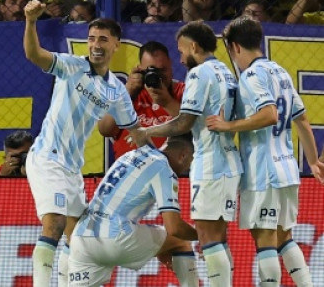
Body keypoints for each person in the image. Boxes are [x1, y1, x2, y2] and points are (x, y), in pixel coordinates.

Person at [22, 4, 147, 287]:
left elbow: (136, 131)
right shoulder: (72, 66)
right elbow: (34, 54)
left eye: (103, 39)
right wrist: (30, 21)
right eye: (91, 39)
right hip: (47, 158)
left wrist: (162, 154)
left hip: (72, 168)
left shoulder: (116, 90)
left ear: (116, 44)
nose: (96, 45)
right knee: (54, 224)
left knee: (77, 238)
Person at [207, 17, 322, 286]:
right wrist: (313, 161)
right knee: (284, 238)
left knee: (265, 240)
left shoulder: (250, 76)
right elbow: (302, 119)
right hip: (287, 169)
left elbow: (270, 114)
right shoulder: (280, 72)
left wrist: (228, 125)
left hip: (263, 171)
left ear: (235, 47)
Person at [138, 21, 241, 287]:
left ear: (194, 46)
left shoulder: (199, 74)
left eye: (182, 51)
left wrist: (147, 132)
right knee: (217, 236)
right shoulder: (226, 72)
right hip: (229, 161)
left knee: (208, 237)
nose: (181, 58)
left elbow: (184, 122)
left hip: (210, 163)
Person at [66, 136, 199, 287]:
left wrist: (162, 247)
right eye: (190, 163)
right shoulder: (163, 168)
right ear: (183, 155)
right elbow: (174, 228)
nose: (187, 169)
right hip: (115, 237)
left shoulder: (131, 155)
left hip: (81, 239)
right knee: (181, 241)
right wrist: (203, 237)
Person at [99, 41, 184, 161]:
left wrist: (167, 102)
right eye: (152, 71)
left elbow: (197, 129)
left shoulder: (184, 92)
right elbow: (105, 130)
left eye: (162, 70)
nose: (158, 76)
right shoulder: (127, 93)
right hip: (129, 167)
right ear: (140, 69)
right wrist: (128, 92)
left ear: (171, 65)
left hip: (169, 168)